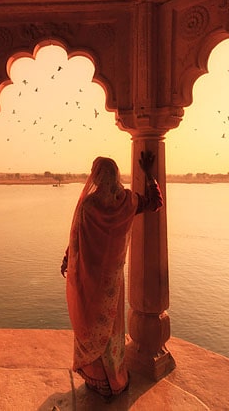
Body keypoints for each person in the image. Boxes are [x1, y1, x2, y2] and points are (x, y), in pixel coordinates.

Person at [60, 151, 163, 399]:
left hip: (88, 278)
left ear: (95, 177)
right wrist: (148, 173)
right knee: (111, 328)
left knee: (90, 323)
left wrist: (66, 260)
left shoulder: (89, 205)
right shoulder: (127, 201)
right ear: (116, 176)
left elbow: (77, 237)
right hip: (112, 283)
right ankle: (113, 380)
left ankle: (96, 380)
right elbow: (155, 202)